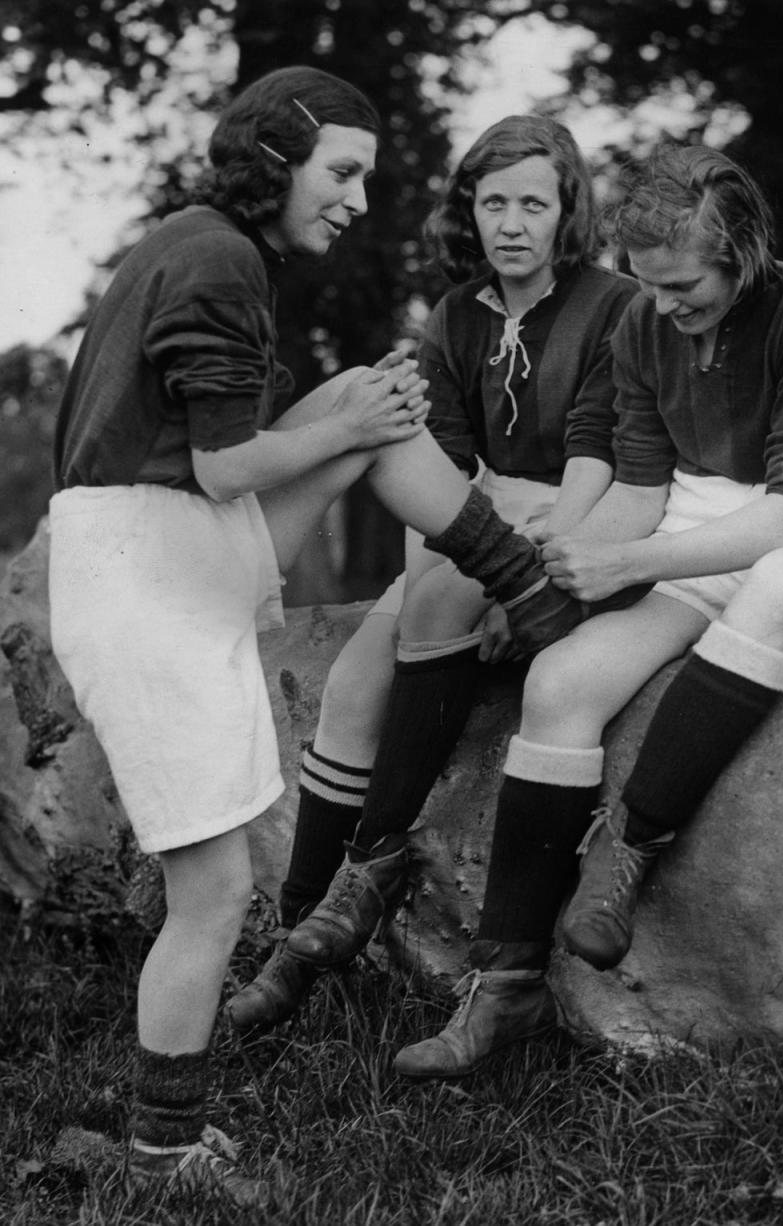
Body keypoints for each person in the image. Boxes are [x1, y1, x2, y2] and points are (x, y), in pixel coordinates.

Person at [47, 69, 582, 1202]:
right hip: (145, 562)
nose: (353, 199)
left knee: (363, 397)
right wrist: (368, 422)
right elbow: (223, 464)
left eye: (365, 178)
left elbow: (228, 454)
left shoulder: (206, 242)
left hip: (163, 541)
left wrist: (358, 416)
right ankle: (163, 1151)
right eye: (339, 172)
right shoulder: (217, 258)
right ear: (275, 157)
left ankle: (522, 588)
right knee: (213, 893)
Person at [392, 144, 783, 1080]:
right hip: (693, 532)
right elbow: (638, 489)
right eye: (648, 286)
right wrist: (565, 566)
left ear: (744, 257)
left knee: (781, 585)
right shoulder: (640, 321)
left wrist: (633, 560)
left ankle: (628, 850)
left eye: (685, 288)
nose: (664, 308)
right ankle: (503, 987)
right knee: (561, 679)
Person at [226, 114, 641, 1033]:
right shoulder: (455, 317)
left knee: (453, 604)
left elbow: (596, 452)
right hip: (465, 524)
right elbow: (435, 476)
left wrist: (532, 581)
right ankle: (300, 937)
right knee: (353, 682)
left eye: (534, 202)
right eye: (492, 203)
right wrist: (438, 578)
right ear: (470, 212)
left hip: (571, 520)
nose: (512, 223)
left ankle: (370, 865)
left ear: (567, 208)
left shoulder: (612, 305)